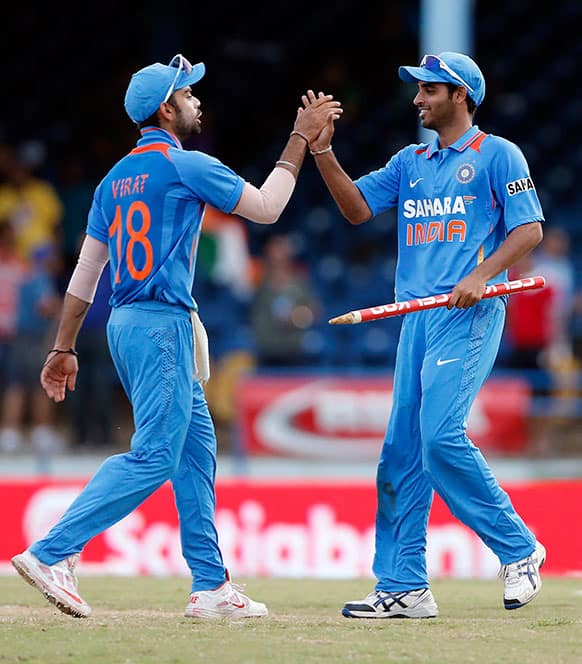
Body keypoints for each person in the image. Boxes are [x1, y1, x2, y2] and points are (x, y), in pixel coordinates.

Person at [11, 53, 341, 619]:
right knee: (157, 455)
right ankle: (52, 552)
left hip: (127, 322)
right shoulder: (186, 164)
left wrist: (62, 347)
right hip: (161, 323)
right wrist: (299, 139)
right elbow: (266, 208)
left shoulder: (112, 180)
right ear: (167, 109)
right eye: (188, 94)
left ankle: (211, 586)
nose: (196, 100)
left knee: (196, 451)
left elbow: (84, 277)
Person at [302, 52, 545, 618]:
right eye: (418, 89)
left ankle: (519, 547)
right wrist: (321, 151)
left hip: (470, 312)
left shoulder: (497, 154)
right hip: (416, 316)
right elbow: (358, 209)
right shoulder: (410, 161)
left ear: (460, 95)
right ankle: (403, 586)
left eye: (429, 89)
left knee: (439, 437)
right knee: (401, 455)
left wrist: (480, 276)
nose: (418, 99)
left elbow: (529, 227)